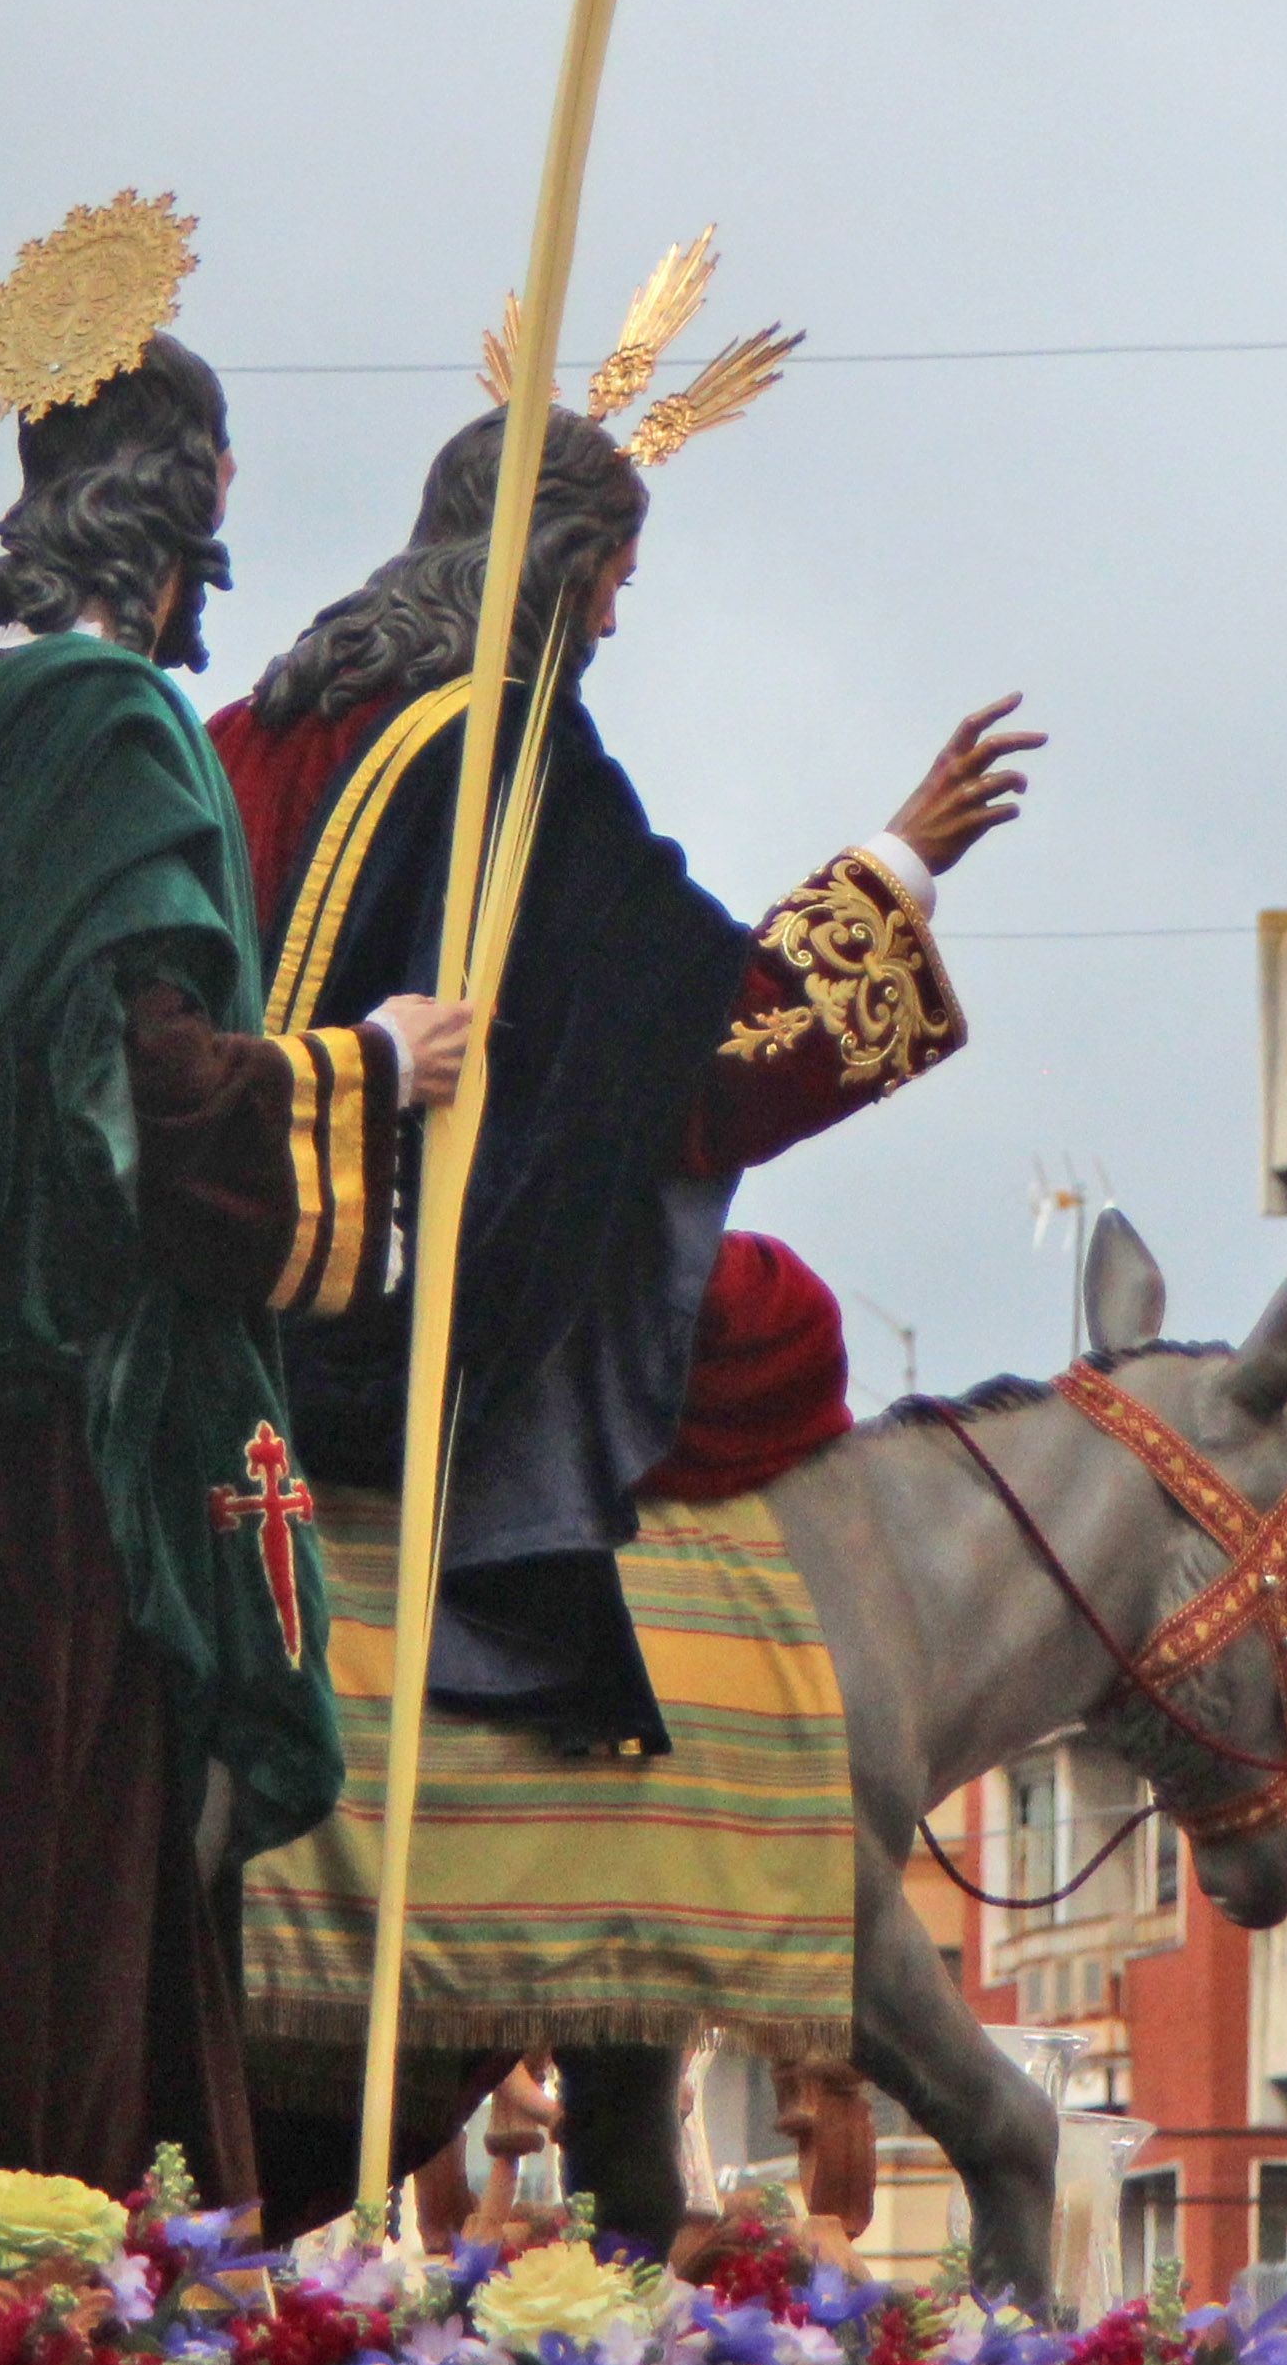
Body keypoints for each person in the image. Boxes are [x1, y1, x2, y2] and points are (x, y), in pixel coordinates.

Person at [0, 193, 474, 2213]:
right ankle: (33, 2265)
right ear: (183, 522)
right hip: (74, 1425)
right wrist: (368, 1066)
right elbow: (134, 1087)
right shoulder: (122, 726)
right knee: (51, 1879)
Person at [209, 246, 1035, 1757]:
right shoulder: (512, 759)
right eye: (612, 585)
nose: (610, 628)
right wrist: (902, 862)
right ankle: (618, 1688)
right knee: (778, 1324)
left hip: (202, 1244)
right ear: (559, 568)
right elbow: (707, 1055)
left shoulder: (242, 726)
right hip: (384, 1306)